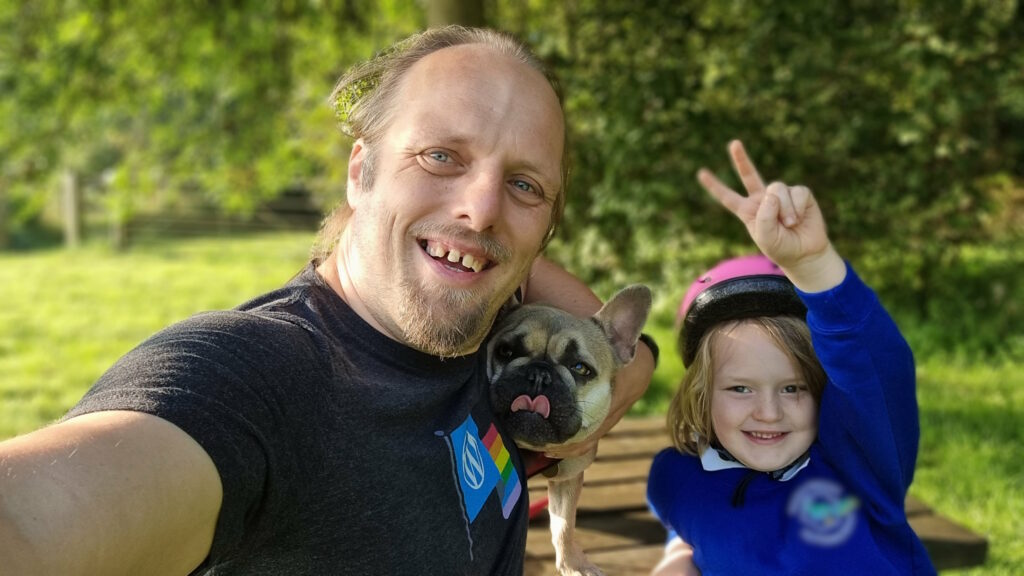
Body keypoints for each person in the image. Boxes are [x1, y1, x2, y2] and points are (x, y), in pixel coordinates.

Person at [0, 26, 654, 575]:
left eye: (524, 186)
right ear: (359, 172)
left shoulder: (491, 329)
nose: (481, 210)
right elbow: (36, 518)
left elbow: (596, 334)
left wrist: (637, 357)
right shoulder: (257, 377)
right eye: (439, 156)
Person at [646, 140, 936, 575]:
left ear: (821, 389)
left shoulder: (856, 465)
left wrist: (815, 265)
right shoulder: (675, 478)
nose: (768, 412)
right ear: (702, 395)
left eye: (793, 388)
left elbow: (876, 369)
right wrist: (677, 554)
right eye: (740, 388)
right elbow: (686, 515)